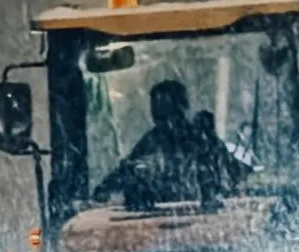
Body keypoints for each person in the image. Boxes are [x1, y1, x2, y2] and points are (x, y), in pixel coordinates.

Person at [92, 79, 249, 209]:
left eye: (170, 111)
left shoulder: (204, 141)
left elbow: (237, 175)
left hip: (204, 220)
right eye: (159, 114)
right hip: (154, 222)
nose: (167, 123)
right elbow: (127, 171)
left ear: (183, 108)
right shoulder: (150, 143)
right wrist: (103, 192)